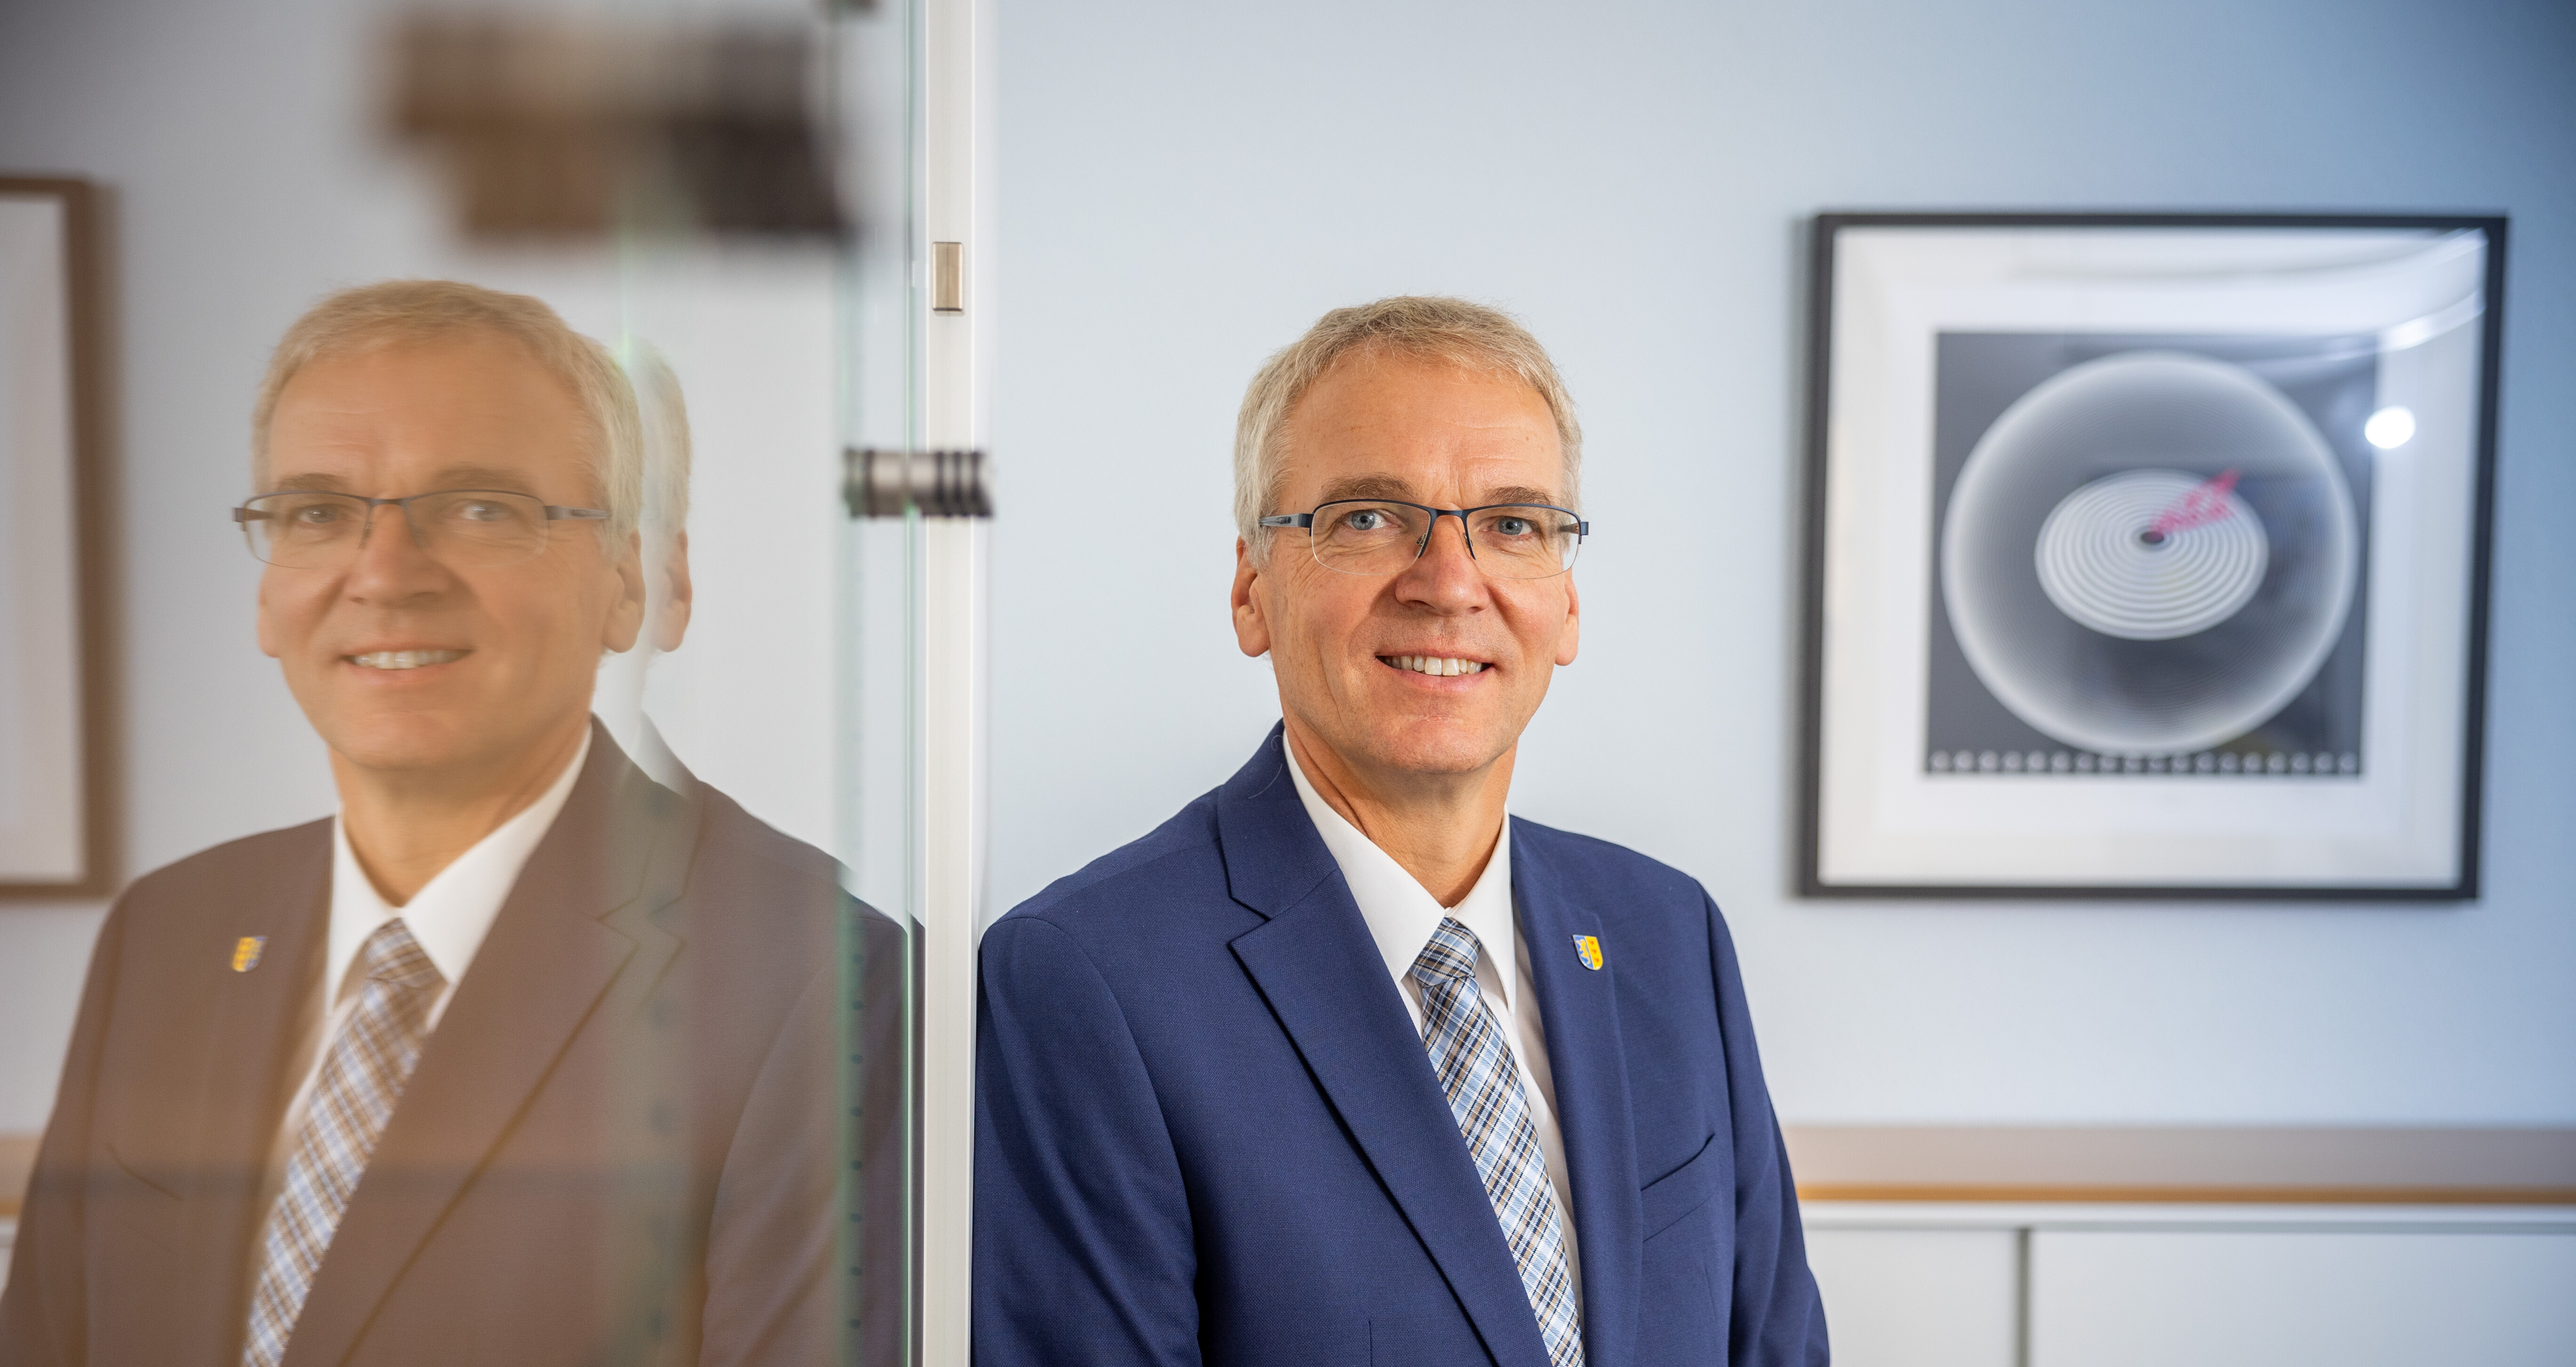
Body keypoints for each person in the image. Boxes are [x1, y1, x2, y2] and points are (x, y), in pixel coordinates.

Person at [0, 281, 903, 1367]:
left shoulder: (813, 978)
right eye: (319, 512)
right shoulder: (174, 928)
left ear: (630, 581)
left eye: (482, 508)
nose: (384, 576)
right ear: (267, 593)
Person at [974, 296, 1827, 1367]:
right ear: (1251, 591)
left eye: (1514, 526)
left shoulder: (1668, 931)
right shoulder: (1088, 979)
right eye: (1370, 518)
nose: (1449, 584)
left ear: (1566, 606)